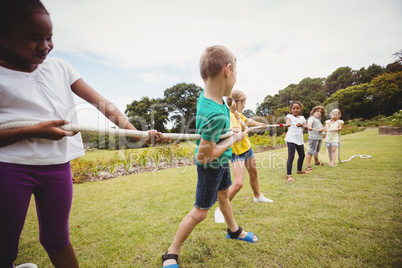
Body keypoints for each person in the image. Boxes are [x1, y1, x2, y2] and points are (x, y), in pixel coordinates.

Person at [0, 1, 167, 267]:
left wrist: (136, 133)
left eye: (49, 37)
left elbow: (101, 103)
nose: (45, 46)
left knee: (57, 238)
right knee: (5, 248)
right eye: (33, 39)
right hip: (9, 169)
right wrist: (33, 130)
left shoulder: (60, 68)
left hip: (57, 167)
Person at [162, 45, 259, 268]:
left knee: (224, 196)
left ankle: (233, 231)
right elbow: (204, 156)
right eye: (236, 72)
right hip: (211, 166)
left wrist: (234, 126)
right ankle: (171, 254)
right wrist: (234, 139)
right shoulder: (214, 113)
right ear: (227, 70)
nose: (235, 79)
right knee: (200, 212)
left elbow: (221, 126)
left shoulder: (216, 99)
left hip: (222, 161)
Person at [214, 90, 273, 223]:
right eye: (244, 103)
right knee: (238, 183)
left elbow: (248, 120)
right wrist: (231, 131)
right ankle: (220, 209)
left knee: (254, 174)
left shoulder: (237, 114)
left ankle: (257, 196)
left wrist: (258, 124)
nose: (245, 106)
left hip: (247, 150)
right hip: (237, 154)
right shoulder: (227, 116)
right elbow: (225, 132)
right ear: (239, 102)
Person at [284, 101, 310, 182]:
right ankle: (289, 175)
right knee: (291, 156)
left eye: (297, 108)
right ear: (291, 109)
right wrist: (288, 123)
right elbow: (288, 122)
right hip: (291, 138)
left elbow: (306, 127)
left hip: (299, 139)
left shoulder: (302, 118)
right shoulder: (289, 116)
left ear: (300, 109)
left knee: (302, 155)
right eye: (294, 108)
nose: (295, 110)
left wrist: (302, 125)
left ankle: (299, 170)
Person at [305, 106, 327, 171]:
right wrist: (309, 127)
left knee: (316, 151)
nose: (319, 113)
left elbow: (322, 128)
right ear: (314, 111)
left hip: (319, 138)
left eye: (321, 112)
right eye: (317, 111)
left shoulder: (318, 120)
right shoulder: (311, 118)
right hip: (313, 138)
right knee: (311, 151)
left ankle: (316, 162)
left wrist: (323, 129)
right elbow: (309, 124)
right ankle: (308, 166)